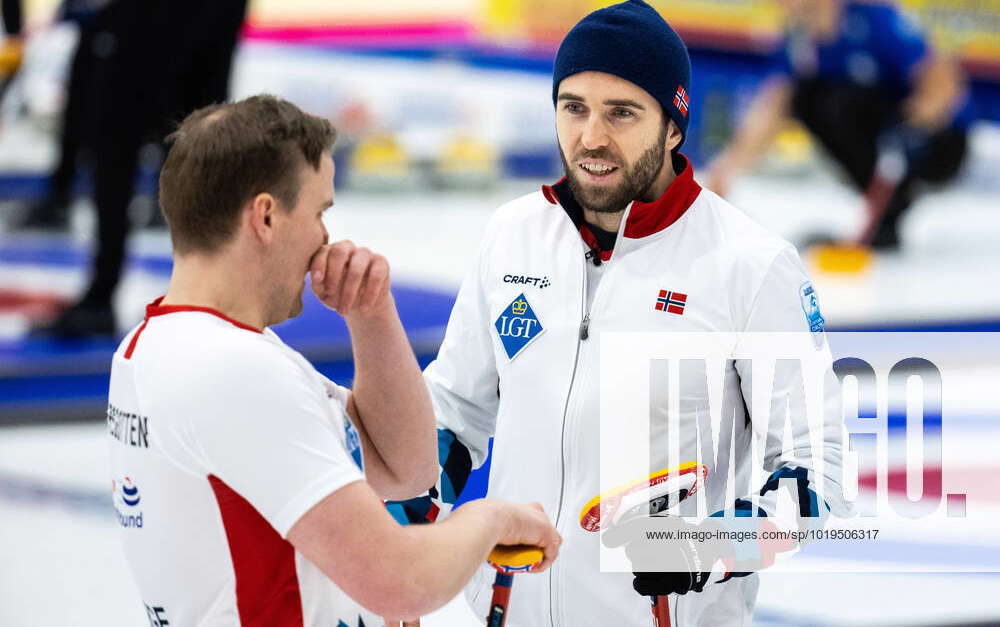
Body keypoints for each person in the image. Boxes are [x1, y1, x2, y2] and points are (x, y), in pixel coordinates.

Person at [388, 2, 849, 625]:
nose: (591, 137)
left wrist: (703, 546)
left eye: (622, 113)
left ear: (674, 125)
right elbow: (454, 412)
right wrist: (404, 509)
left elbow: (814, 476)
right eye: (574, 107)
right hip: (507, 611)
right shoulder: (513, 235)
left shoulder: (751, 266)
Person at [106, 95, 560, 626]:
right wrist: (491, 517)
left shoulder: (157, 345)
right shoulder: (232, 372)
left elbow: (406, 469)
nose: (327, 236)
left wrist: (371, 316)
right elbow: (402, 583)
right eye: (320, 211)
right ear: (267, 216)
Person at [36, 0, 248, 337]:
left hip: (146, 45)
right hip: (187, 43)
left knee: (123, 159)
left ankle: (105, 297)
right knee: (193, 165)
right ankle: (206, 300)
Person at [706, 0, 973, 250]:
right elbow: (774, 106)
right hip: (883, 146)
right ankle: (884, 211)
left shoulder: (872, 18)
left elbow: (943, 80)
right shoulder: (798, 41)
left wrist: (912, 125)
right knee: (807, 97)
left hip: (937, 140)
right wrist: (726, 170)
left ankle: (887, 204)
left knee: (840, 102)